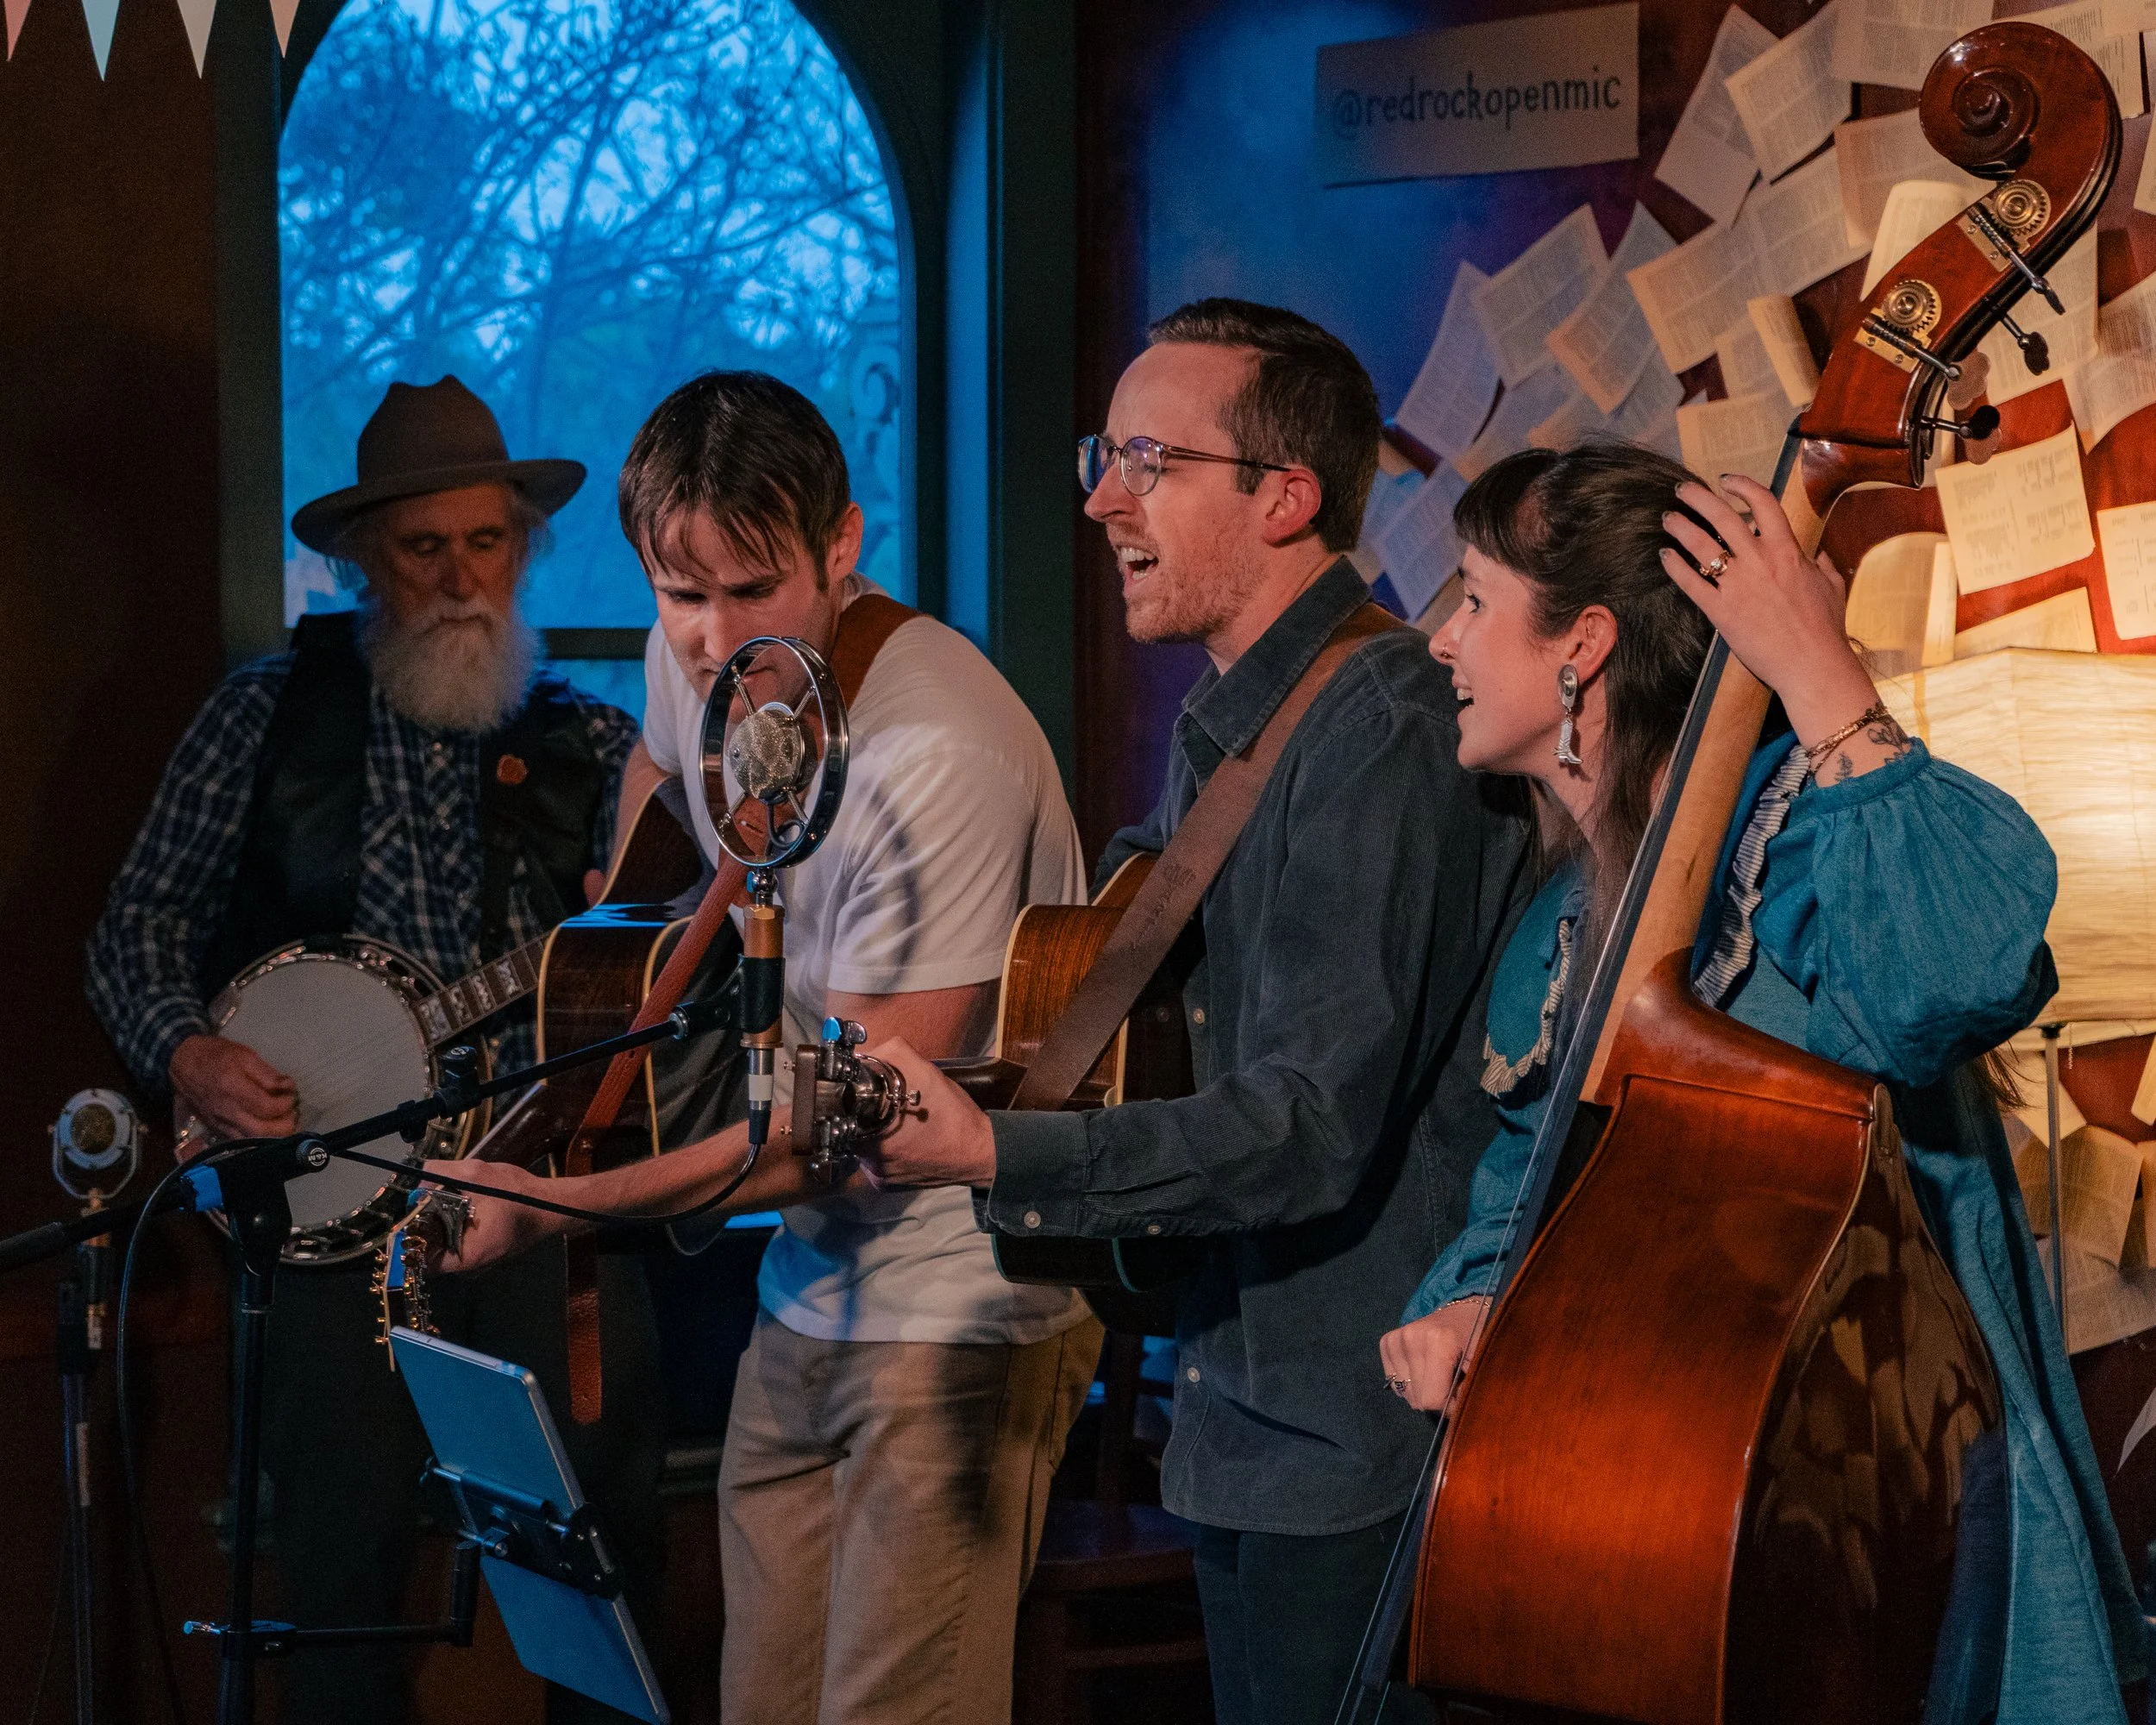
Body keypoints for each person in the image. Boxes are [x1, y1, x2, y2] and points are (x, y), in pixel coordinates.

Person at [1377, 442, 2145, 1725]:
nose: (1442, 643)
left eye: (1470, 599)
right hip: (1685, 1496)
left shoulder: (1798, 837)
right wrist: (1470, 1306)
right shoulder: (1563, 931)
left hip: (1882, 1488)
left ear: (1584, 648)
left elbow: (1955, 973)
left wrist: (1817, 672)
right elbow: (1545, 1185)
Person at [855, 299, 1537, 1725]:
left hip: (1354, 1437)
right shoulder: (1231, 724)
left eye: (1147, 460)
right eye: (1104, 453)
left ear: (1284, 497)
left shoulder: (1387, 728)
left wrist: (992, 1155)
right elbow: (1161, 1035)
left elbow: (1305, 1128)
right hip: (1238, 1413)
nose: (1102, 498)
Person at [428, 369, 1101, 1725]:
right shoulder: (704, 670)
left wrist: (564, 1202)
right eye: (683, 596)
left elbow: (852, 1133)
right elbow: (666, 781)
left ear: (842, 546)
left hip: (959, 1307)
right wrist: (627, 949)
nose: (712, 635)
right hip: (806, 1296)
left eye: (754, 590)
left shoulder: (937, 750)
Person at [84, 375, 667, 1723]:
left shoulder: (595, 746)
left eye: (489, 544)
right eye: (424, 548)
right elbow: (133, 932)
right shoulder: (261, 718)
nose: (462, 578)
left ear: (524, 549)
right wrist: (189, 1056)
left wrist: (631, 946)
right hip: (325, 1232)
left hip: (539, 1210)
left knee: (604, 1580)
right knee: (339, 1593)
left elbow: (660, 983)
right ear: (359, 561)